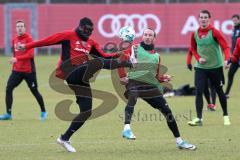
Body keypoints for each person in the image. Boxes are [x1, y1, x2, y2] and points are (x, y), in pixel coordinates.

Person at [18, 17, 133, 152]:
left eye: (90, 31)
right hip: (70, 72)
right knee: (94, 63)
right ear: (79, 27)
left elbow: (104, 57)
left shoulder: (91, 42)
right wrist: (26, 46)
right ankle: (126, 64)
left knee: (86, 111)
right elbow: (46, 41)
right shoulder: (68, 35)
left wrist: (117, 55)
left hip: (81, 80)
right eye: (86, 30)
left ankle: (64, 138)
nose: (88, 33)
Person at [117, 28, 196, 150]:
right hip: (134, 82)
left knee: (167, 111)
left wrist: (164, 78)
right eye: (145, 34)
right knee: (133, 94)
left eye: (150, 35)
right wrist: (122, 76)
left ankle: (179, 141)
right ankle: (126, 128)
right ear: (142, 36)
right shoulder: (135, 48)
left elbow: (156, 77)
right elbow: (121, 59)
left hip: (149, 86)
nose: (147, 37)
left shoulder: (157, 57)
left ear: (154, 38)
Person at [187, 10, 231, 126]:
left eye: (205, 17)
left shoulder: (215, 32)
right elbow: (193, 49)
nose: (203, 19)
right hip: (201, 68)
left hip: (216, 68)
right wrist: (197, 58)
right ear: (199, 19)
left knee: (219, 91)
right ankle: (199, 118)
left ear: (209, 19)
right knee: (198, 91)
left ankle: (225, 115)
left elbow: (226, 47)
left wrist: (227, 59)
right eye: (201, 17)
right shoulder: (195, 33)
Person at [0, 20, 47, 121]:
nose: (20, 28)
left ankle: (43, 111)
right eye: (18, 26)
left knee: (34, 91)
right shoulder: (14, 40)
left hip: (29, 71)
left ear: (25, 28)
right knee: (8, 89)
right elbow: (15, 54)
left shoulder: (29, 39)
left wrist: (17, 59)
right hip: (16, 71)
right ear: (16, 29)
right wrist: (15, 62)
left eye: (21, 26)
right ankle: (8, 114)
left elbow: (30, 55)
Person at [225, 14, 240, 98]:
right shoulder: (234, 29)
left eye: (236, 20)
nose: (234, 22)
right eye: (233, 20)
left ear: (239, 20)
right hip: (235, 56)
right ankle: (226, 93)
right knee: (230, 74)